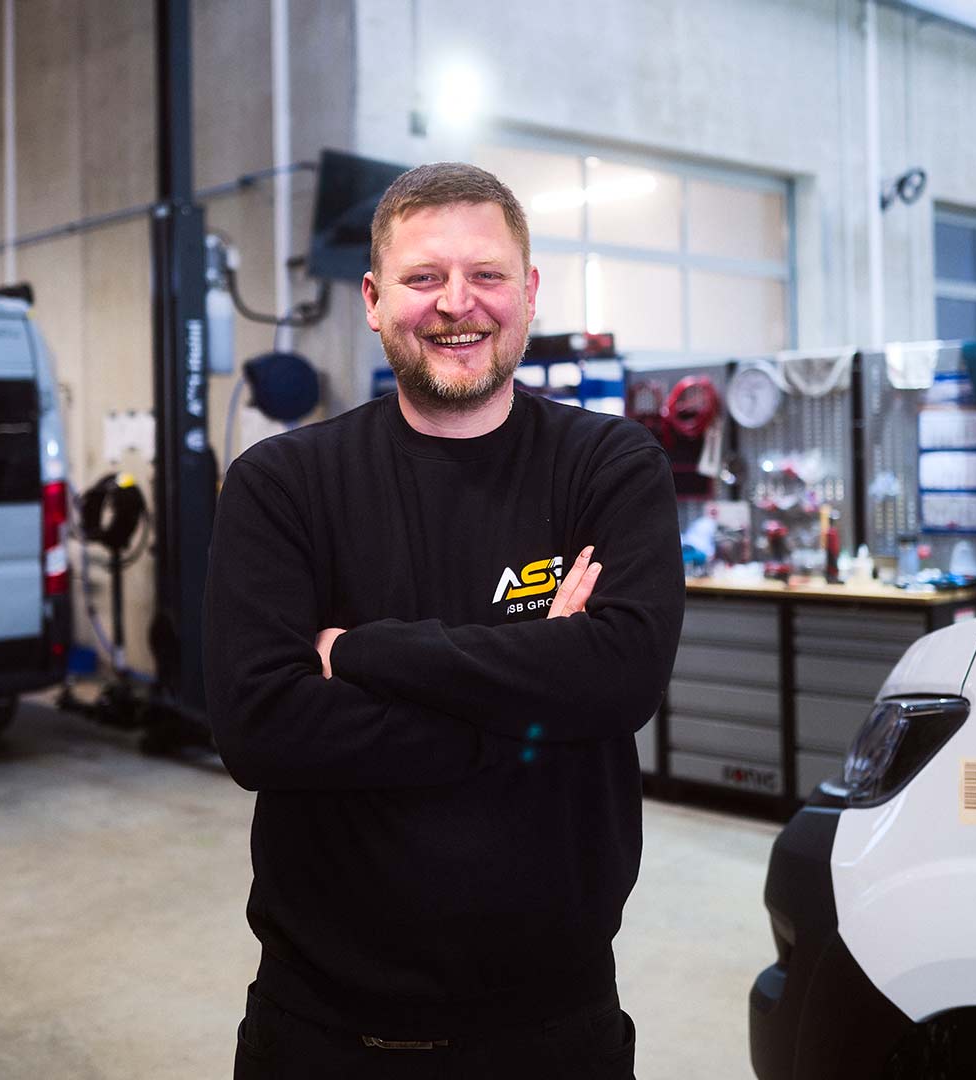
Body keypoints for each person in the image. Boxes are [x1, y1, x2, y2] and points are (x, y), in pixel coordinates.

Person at [203, 161, 684, 1078]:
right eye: (424, 278)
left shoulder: (609, 466)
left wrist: (366, 652)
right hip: (325, 1033)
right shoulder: (284, 484)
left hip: (555, 1029)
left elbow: (621, 677)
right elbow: (261, 731)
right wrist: (538, 703)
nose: (456, 303)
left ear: (529, 293)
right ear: (375, 300)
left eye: (487, 276)